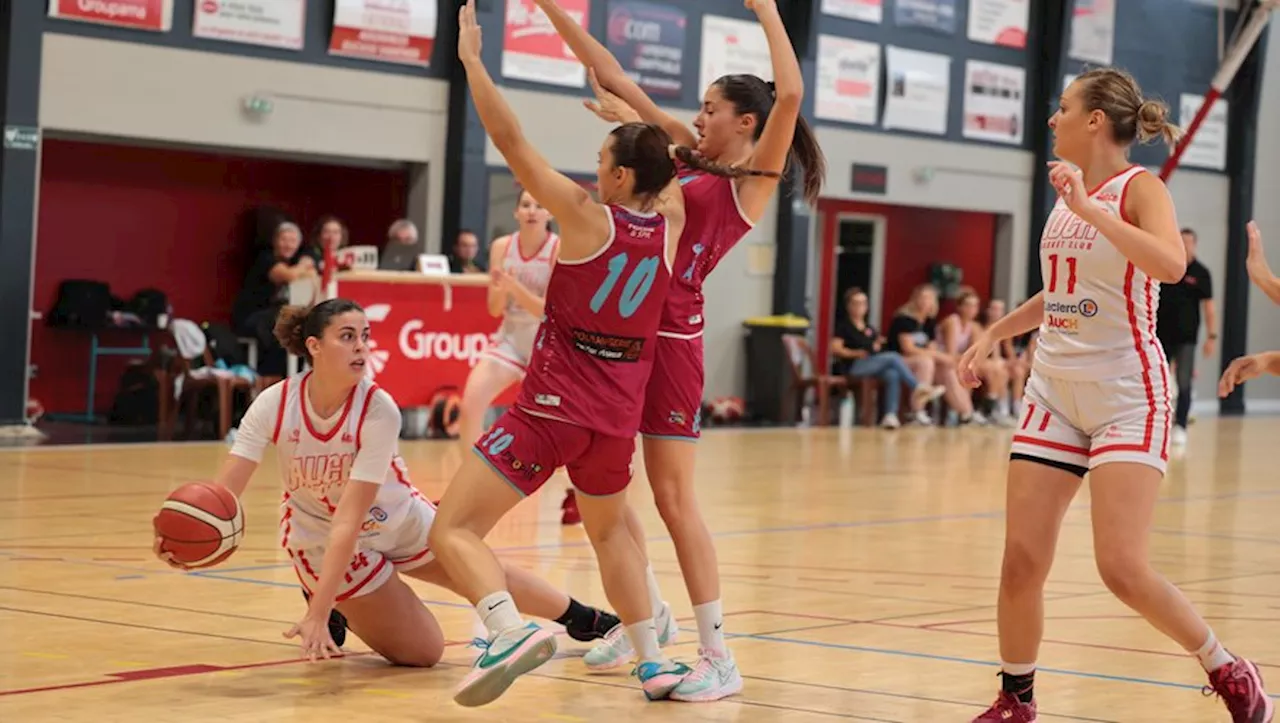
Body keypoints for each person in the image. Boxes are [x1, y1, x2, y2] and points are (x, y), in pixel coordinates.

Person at [426, 2, 759, 707]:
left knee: (451, 527)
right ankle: (652, 659)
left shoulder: (582, 220)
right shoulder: (671, 223)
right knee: (614, 536)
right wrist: (632, 112)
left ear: (612, 178)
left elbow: (510, 138)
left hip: (551, 406)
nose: (594, 166)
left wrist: (474, 64)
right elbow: (674, 161)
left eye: (601, 159)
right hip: (613, 420)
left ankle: (504, 624)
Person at [958, 67, 1271, 723]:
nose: (1053, 119)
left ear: (1095, 118)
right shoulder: (1070, 193)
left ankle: (1226, 664)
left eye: (1063, 107)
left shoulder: (1139, 187)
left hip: (1129, 391)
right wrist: (994, 332)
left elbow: (1169, 266)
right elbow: (1065, 292)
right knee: (1020, 559)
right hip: (1055, 389)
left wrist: (1089, 210)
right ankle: (1016, 698)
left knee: (1120, 566)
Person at [533, 0, 825, 700]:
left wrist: (766, 11)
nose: (697, 115)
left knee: (672, 497)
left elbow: (791, 92)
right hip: (618, 338)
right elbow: (610, 73)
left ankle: (719, 653)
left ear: (744, 122)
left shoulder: (752, 181)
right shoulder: (683, 156)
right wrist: (548, 7)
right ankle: (651, 613)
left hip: (671, 344)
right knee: (600, 482)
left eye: (710, 106)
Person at [151, 299, 622, 665]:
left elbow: (355, 515)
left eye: (365, 336)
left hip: (395, 516)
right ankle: (335, 599)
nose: (361, 347)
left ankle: (584, 618)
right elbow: (225, 494)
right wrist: (192, 529)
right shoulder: (275, 404)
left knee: (474, 565)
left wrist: (320, 606)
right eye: (347, 337)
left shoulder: (378, 408)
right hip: (322, 535)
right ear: (314, 346)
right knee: (425, 653)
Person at [456, 190, 580, 525]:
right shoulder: (501, 247)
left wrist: (513, 288)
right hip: (510, 340)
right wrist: (502, 290)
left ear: (549, 214)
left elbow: (547, 310)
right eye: (525, 205)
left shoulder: (557, 248)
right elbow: (494, 308)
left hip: (548, 345)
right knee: (470, 404)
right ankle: (468, 489)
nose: (531, 211)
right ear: (515, 212)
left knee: (568, 428)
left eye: (539, 205)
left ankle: (576, 493)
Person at [830, 287, 943, 428]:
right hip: (853, 365)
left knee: (892, 374)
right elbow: (835, 348)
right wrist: (856, 353)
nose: (860, 307)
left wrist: (879, 343)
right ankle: (917, 387)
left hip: (871, 363)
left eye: (864, 303)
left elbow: (876, 342)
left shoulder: (869, 328)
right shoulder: (844, 326)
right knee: (894, 357)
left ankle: (890, 415)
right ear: (849, 306)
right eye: (856, 303)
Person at [887, 284, 981, 425]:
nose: (926, 301)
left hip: (922, 360)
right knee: (926, 362)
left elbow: (932, 347)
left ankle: (967, 413)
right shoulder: (903, 319)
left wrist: (938, 356)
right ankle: (917, 411)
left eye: (929, 298)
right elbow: (908, 348)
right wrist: (938, 356)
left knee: (946, 369)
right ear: (914, 299)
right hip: (899, 360)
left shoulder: (929, 322)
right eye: (923, 298)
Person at [1156, 227, 1216, 447]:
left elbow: (1209, 307)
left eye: (1188, 242)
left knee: (1184, 381)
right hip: (1160, 335)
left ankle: (1180, 425)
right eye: (1181, 241)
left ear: (1194, 244)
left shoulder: (1201, 273)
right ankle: (1158, 425)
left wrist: (1212, 336)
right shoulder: (1165, 266)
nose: (1184, 246)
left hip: (1187, 337)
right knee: (1158, 382)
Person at [940, 288, 1013, 425]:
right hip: (944, 362)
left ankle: (990, 409)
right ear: (960, 307)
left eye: (975, 305)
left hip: (958, 359)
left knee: (996, 370)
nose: (972, 309)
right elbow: (950, 353)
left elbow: (977, 351)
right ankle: (965, 412)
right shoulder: (952, 321)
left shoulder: (973, 326)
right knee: (969, 369)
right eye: (969, 305)